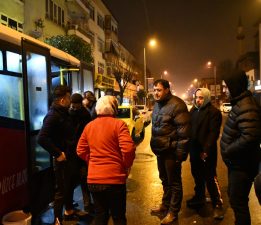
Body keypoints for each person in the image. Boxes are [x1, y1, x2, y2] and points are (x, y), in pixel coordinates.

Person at [76, 95, 136, 225]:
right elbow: (129, 149)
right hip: (115, 179)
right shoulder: (119, 125)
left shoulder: (89, 126)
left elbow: (80, 150)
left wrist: (91, 161)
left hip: (94, 180)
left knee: (100, 215)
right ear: (114, 108)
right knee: (118, 217)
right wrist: (125, 165)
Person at [220, 70, 261, 225]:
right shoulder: (241, 102)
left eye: (227, 87)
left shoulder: (246, 105)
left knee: (239, 203)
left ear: (235, 86)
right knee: (236, 199)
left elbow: (250, 136)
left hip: (242, 165)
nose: (226, 90)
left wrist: (228, 149)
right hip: (238, 164)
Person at [150, 79, 190, 224]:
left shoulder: (177, 105)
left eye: (159, 90)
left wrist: (180, 154)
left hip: (171, 152)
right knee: (164, 180)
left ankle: (173, 212)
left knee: (174, 183)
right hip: (160, 151)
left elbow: (184, 134)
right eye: (154, 90)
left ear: (167, 89)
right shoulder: (157, 105)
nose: (156, 93)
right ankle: (165, 205)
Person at [38, 85, 80, 223]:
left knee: (68, 187)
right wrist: (57, 153)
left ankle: (68, 211)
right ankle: (57, 219)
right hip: (62, 161)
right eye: (69, 97)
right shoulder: (53, 115)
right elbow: (42, 138)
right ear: (62, 100)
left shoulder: (64, 112)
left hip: (70, 158)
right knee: (61, 191)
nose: (70, 100)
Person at [186, 88, 224, 219]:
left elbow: (213, 133)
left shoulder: (213, 112)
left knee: (210, 177)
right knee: (197, 176)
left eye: (201, 97)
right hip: (194, 151)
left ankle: (217, 204)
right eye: (196, 97)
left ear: (207, 98)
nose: (198, 100)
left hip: (206, 152)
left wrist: (206, 150)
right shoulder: (193, 111)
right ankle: (199, 197)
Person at [69, 93, 93, 213]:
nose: (73, 108)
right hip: (76, 151)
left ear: (79, 104)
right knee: (79, 179)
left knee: (82, 178)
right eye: (72, 106)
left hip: (80, 151)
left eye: (75, 106)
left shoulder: (84, 115)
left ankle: (86, 203)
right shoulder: (85, 113)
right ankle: (81, 203)